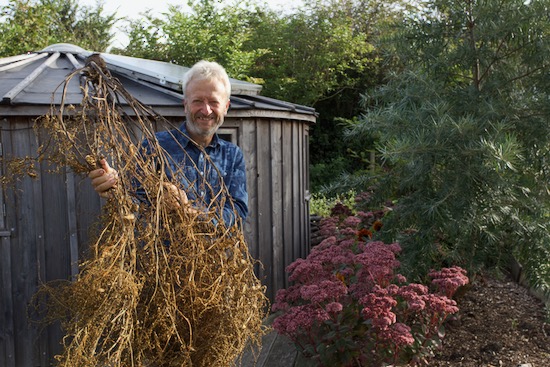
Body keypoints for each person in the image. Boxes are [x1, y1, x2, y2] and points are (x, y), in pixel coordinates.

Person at [88, 60, 248, 227]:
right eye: (198, 101)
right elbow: (132, 197)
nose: (206, 110)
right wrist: (114, 186)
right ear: (185, 105)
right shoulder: (155, 146)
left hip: (216, 252)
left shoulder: (232, 155)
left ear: (226, 107)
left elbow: (238, 211)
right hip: (164, 252)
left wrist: (193, 214)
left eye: (214, 102)